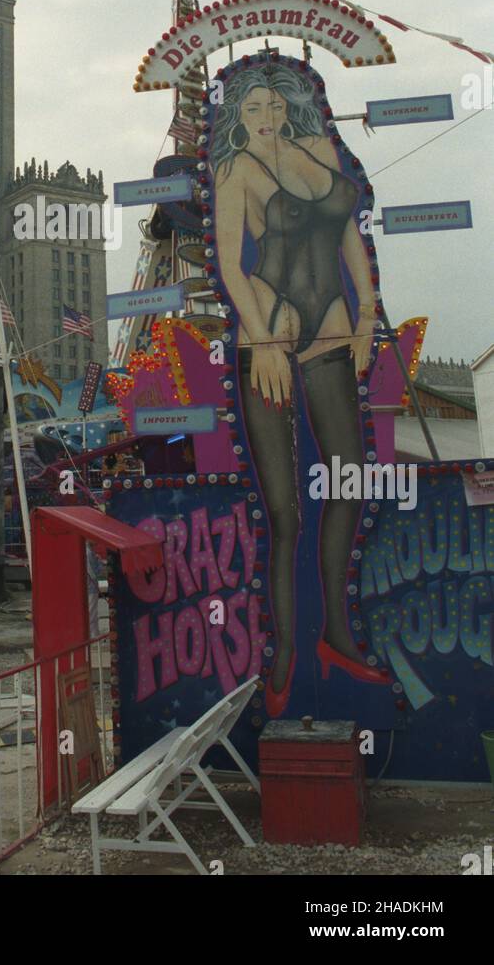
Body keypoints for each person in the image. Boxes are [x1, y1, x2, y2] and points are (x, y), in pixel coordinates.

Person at [211, 56, 391, 717]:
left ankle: (336, 634)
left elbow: (348, 231)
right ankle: (286, 651)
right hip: (273, 328)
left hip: (335, 327)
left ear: (290, 108)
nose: (264, 118)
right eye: (251, 109)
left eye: (272, 106)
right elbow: (231, 266)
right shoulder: (235, 173)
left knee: (349, 480)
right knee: (283, 512)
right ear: (239, 116)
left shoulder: (320, 149)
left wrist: (367, 314)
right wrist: (260, 339)